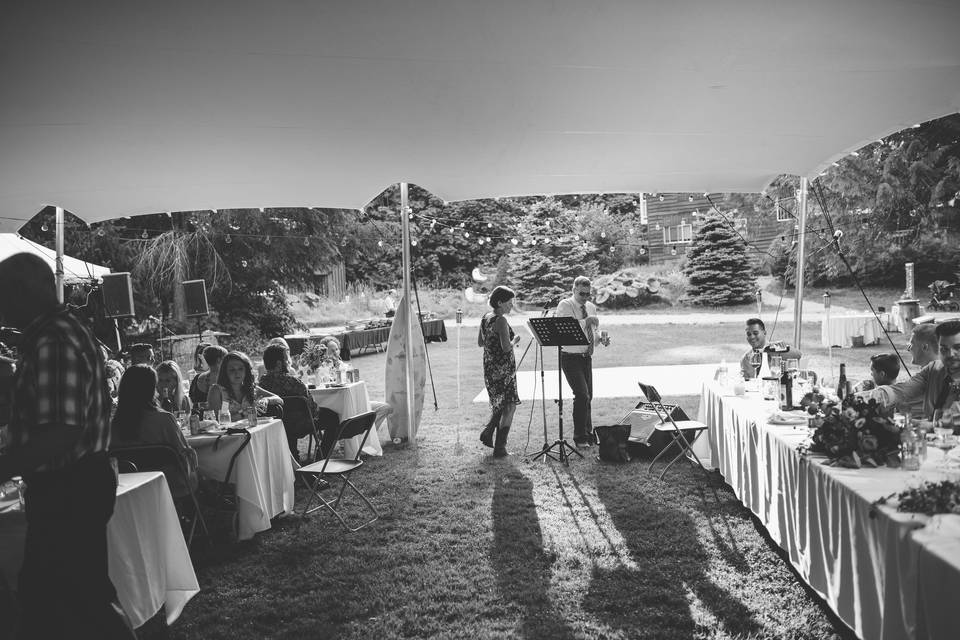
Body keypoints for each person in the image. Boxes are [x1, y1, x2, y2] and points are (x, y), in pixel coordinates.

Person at [0, 253, 136, 638]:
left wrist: (4, 466)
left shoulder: (54, 341)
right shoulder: (55, 336)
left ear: (26, 293)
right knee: (54, 600)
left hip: (68, 488)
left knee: (79, 598)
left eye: (3, 295)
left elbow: (62, 431)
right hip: (74, 484)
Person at [111, 364, 198, 500]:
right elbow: (184, 456)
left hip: (129, 489)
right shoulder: (164, 420)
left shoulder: (112, 426)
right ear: (152, 388)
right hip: (170, 486)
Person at [857, 319, 960, 431]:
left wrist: (934, 425)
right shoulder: (934, 369)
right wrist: (867, 397)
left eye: (958, 348)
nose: (950, 354)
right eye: (944, 349)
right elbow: (903, 390)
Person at [258, 344, 341, 460]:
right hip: (300, 425)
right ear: (279, 364)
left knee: (288, 422)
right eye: (287, 359)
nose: (290, 362)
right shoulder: (294, 383)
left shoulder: (261, 385)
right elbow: (312, 409)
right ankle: (320, 458)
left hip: (276, 426)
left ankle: (294, 458)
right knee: (332, 417)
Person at [555, 276, 609, 449]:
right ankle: (579, 438)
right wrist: (586, 321)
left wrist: (602, 339)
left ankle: (588, 434)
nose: (585, 297)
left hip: (586, 357)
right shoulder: (565, 305)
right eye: (582, 294)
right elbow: (566, 328)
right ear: (574, 290)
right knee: (582, 395)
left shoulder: (591, 307)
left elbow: (594, 330)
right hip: (570, 356)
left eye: (588, 294)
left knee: (588, 397)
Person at [477, 286, 522, 457]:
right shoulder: (501, 321)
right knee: (509, 406)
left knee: (500, 404)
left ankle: (489, 435)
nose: (512, 306)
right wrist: (514, 340)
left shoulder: (486, 317)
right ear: (500, 302)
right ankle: (500, 447)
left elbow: (481, 343)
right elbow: (505, 348)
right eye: (510, 302)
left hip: (490, 368)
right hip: (503, 370)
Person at [207, 351, 282, 421]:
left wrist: (266, 400)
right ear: (225, 372)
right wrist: (244, 413)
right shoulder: (217, 390)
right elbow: (217, 420)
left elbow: (279, 399)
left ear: (246, 371)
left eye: (240, 369)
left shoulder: (251, 388)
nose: (237, 373)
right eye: (232, 370)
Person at [189, 344, 227, 410]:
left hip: (197, 418)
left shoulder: (196, 378)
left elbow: (192, 402)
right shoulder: (225, 380)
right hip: (220, 418)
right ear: (219, 360)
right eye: (226, 359)